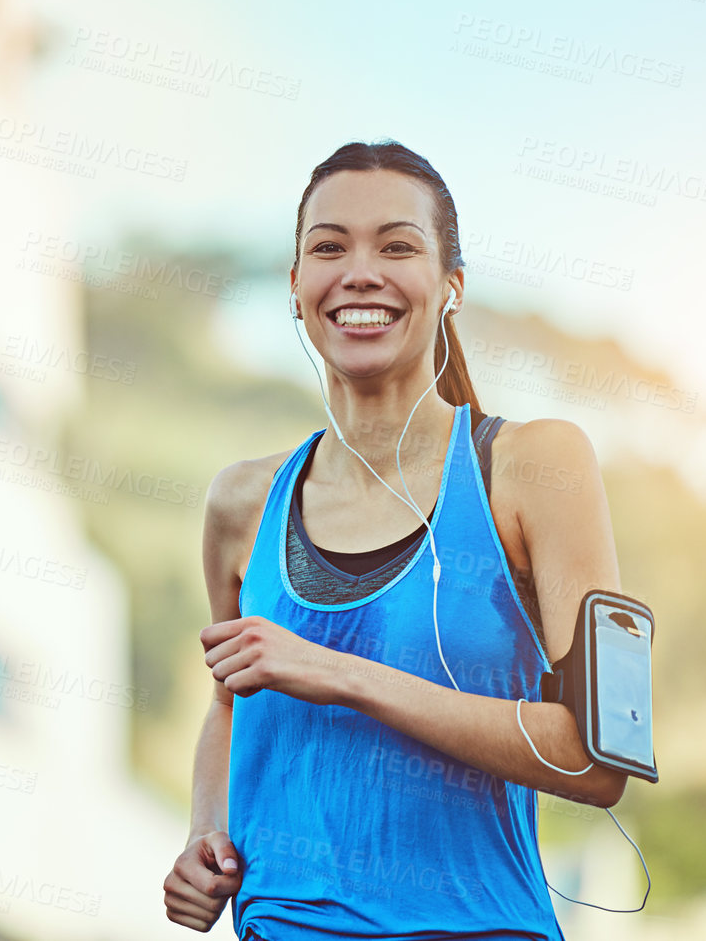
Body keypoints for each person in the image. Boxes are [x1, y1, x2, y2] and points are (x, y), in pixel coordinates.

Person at [162, 141, 633, 940]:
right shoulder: (242, 501)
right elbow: (229, 701)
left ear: (451, 286)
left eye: (397, 245)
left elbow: (600, 758)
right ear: (296, 287)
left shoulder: (534, 466)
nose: (360, 271)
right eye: (329, 247)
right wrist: (205, 831)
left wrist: (343, 674)